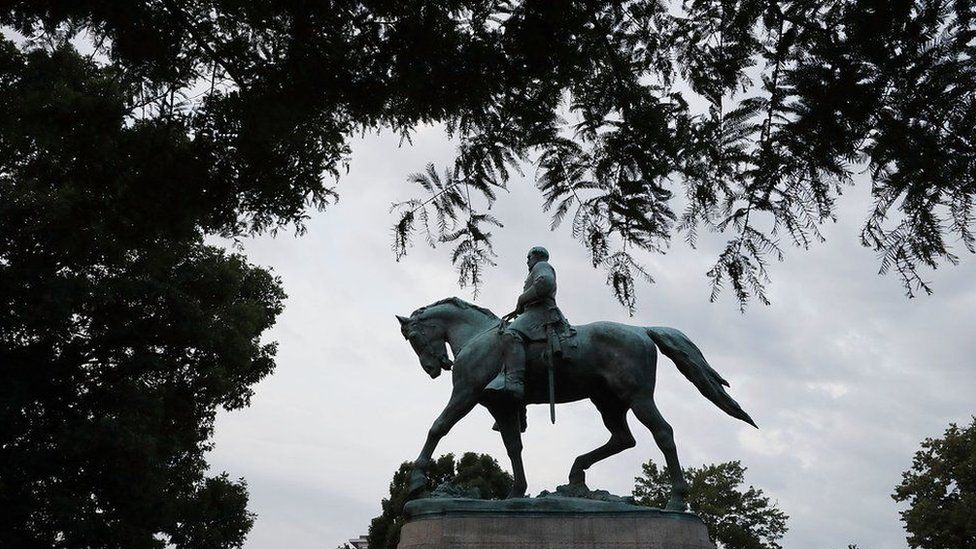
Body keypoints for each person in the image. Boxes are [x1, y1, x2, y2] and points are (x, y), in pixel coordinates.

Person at [485, 246, 570, 402]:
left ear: (536, 256)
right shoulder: (537, 268)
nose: (527, 261)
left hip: (541, 312)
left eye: (528, 257)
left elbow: (545, 283)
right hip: (533, 311)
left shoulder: (541, 266)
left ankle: (514, 381)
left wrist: (521, 299)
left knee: (511, 335)